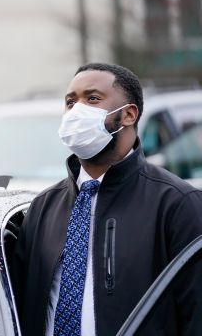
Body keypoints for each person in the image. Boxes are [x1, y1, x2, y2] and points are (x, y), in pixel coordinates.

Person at [10, 63, 202, 335]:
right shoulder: (44, 207)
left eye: (92, 99)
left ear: (128, 114)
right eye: (70, 101)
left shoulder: (178, 204)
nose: (77, 110)